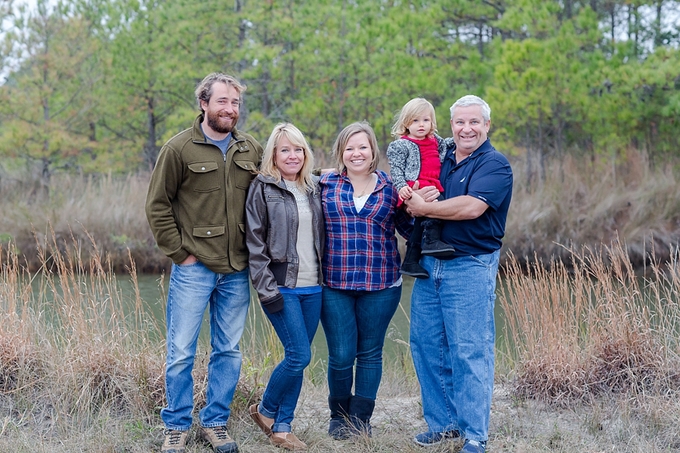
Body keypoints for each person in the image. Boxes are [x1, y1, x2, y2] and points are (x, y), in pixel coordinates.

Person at [145, 72, 263, 453]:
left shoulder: (251, 149)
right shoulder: (179, 149)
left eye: (235, 103)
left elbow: (277, 186)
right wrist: (180, 253)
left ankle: (215, 423)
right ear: (204, 103)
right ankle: (176, 426)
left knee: (228, 350)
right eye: (222, 102)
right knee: (181, 351)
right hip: (194, 268)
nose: (230, 109)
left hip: (237, 268)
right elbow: (157, 206)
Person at [404, 95, 513, 453]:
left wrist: (426, 207)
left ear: (486, 125)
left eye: (474, 122)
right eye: (459, 123)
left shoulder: (495, 165)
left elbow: (472, 207)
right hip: (428, 265)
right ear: (451, 126)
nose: (466, 129)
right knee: (427, 347)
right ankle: (443, 423)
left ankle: (475, 435)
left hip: (470, 267)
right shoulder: (441, 156)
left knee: (470, 351)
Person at [319, 121, 412, 440]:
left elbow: (409, 229)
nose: (356, 153)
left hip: (382, 284)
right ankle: (338, 415)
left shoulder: (391, 187)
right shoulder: (324, 183)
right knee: (342, 354)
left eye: (363, 147)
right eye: (349, 148)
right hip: (334, 283)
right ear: (340, 152)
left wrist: (426, 203)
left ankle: (361, 418)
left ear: (373, 150)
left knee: (370, 352)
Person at [245, 123, 323, 451]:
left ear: (306, 154)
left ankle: (283, 427)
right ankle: (264, 411)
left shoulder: (315, 187)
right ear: (273, 156)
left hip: (315, 287)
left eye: (298, 149)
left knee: (300, 359)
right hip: (282, 286)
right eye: (285, 150)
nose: (293, 155)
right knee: (298, 355)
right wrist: (266, 289)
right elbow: (254, 242)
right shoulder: (263, 189)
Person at [386, 97, 454, 279]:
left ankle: (410, 261)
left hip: (431, 183)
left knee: (418, 224)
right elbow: (396, 170)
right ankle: (432, 241)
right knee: (437, 206)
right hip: (414, 185)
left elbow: (447, 144)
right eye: (415, 121)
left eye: (426, 120)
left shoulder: (434, 140)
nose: (421, 125)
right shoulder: (401, 145)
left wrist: (459, 140)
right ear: (406, 123)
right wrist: (401, 187)